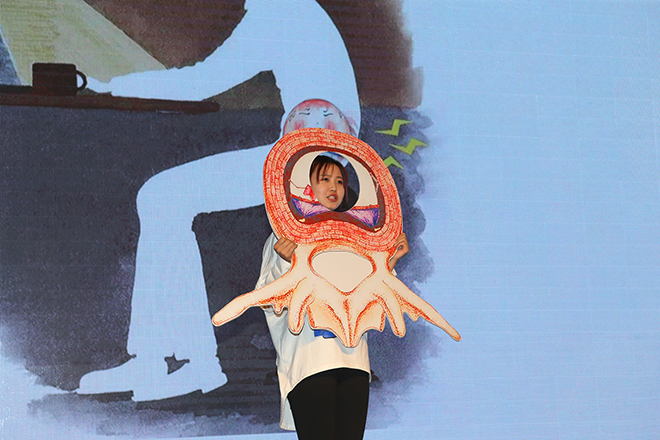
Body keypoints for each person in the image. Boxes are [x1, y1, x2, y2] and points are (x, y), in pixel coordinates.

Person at [77, 0, 360, 401]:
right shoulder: (294, 9)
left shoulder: (279, 11)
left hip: (310, 161)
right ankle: (159, 360)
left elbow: (200, 82)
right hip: (317, 155)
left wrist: (112, 87)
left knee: (161, 198)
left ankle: (185, 363)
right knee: (161, 199)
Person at [257, 153, 409, 439]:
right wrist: (284, 262)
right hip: (311, 361)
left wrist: (391, 261)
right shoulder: (284, 236)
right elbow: (267, 299)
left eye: (340, 181)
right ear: (305, 186)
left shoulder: (359, 237)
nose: (334, 187)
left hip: (354, 363)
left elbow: (378, 296)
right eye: (324, 179)